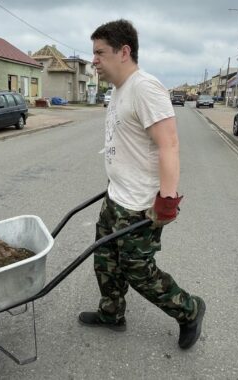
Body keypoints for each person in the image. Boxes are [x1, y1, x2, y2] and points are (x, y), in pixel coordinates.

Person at [78, 19, 205, 350]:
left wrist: (167, 201)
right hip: (117, 197)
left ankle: (189, 310)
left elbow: (170, 145)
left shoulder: (145, 87)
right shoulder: (120, 90)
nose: (93, 60)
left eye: (99, 53)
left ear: (124, 52)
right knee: (104, 259)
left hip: (140, 206)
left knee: (139, 273)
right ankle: (112, 313)